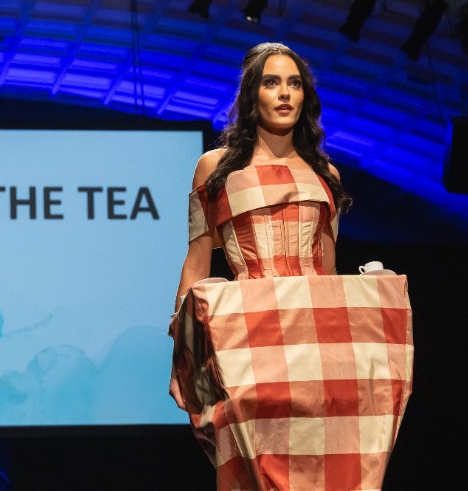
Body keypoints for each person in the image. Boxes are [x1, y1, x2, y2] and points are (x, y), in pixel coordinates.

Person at [169, 42, 415, 490]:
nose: (284, 93)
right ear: (251, 95)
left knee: (326, 470)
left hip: (316, 346)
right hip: (247, 342)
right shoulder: (216, 168)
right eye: (271, 82)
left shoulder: (326, 174)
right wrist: (182, 349)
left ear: (305, 96)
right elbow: (198, 261)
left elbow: (329, 271)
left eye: (294, 83)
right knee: (251, 471)